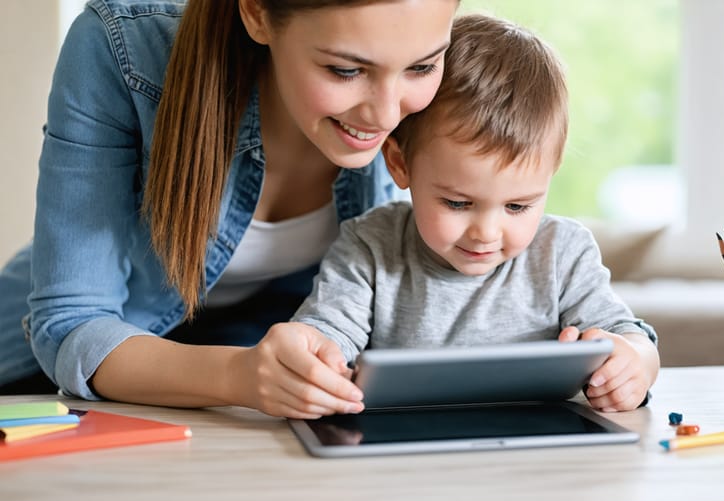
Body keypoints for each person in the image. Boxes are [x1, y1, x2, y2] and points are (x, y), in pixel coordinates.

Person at [0, 0, 458, 419]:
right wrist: (238, 374)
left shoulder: (439, 94)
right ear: (257, 13)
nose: (385, 115)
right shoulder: (123, 51)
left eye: (421, 66)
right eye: (344, 70)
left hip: (249, 381)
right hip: (44, 374)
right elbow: (70, 325)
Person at [292, 13, 660, 414]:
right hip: (402, 451)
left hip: (535, 455)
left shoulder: (564, 253)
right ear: (400, 165)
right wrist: (316, 362)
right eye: (457, 203)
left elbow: (628, 338)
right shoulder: (369, 246)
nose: (486, 232)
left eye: (518, 206)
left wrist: (634, 364)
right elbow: (326, 334)